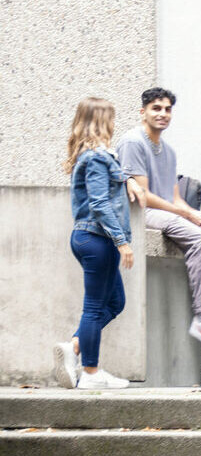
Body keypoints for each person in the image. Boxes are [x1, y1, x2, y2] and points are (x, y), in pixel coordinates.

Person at [117, 87, 201, 356]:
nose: (163, 114)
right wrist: (188, 215)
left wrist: (197, 213)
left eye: (168, 109)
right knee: (200, 238)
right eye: (156, 108)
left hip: (167, 212)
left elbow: (175, 198)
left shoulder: (167, 150)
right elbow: (143, 197)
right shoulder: (133, 142)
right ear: (142, 111)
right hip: (141, 213)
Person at [54, 97, 136, 389]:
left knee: (115, 302)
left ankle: (74, 346)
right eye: (111, 118)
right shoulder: (97, 158)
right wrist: (122, 241)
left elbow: (108, 187)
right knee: (93, 307)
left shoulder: (95, 156)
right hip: (97, 238)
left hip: (89, 237)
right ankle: (90, 372)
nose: (115, 123)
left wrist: (129, 180)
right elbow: (100, 204)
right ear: (101, 121)